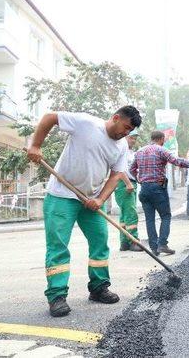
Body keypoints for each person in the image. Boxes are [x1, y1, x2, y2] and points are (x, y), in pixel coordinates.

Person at [26, 106, 142, 318]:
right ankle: (57, 296)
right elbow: (50, 117)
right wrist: (35, 145)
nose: (126, 133)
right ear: (115, 118)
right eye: (125, 127)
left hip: (91, 200)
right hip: (62, 195)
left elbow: (116, 175)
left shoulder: (121, 146)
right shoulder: (86, 123)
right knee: (58, 246)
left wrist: (100, 199)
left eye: (129, 131)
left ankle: (98, 287)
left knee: (100, 241)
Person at [130, 131, 189, 256]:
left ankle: (154, 248)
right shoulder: (161, 150)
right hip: (157, 188)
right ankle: (162, 244)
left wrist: (140, 180)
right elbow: (177, 161)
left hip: (144, 190)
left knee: (149, 219)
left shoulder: (139, 151)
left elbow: (132, 169)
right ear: (161, 139)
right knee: (165, 216)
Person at [114, 129, 142, 252]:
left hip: (130, 183)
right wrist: (128, 183)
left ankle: (124, 242)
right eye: (131, 138)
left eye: (135, 138)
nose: (133, 141)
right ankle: (134, 241)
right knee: (131, 213)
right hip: (124, 184)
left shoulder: (130, 152)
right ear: (125, 137)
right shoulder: (122, 150)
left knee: (124, 214)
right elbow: (119, 169)